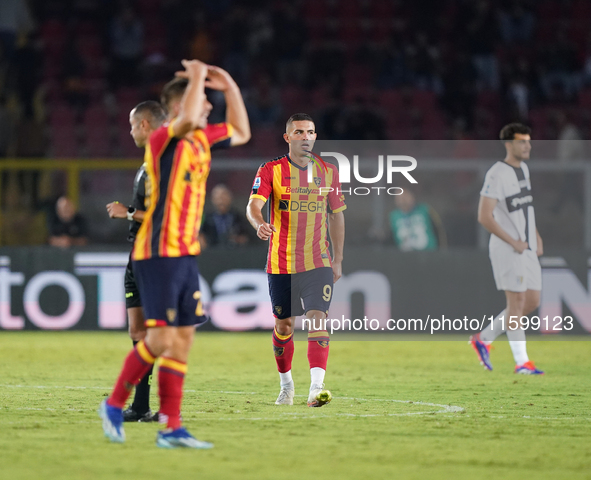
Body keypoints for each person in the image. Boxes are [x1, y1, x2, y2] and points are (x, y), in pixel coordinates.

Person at [99, 59, 250, 449]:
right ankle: (115, 403)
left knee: (181, 342)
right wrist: (198, 73)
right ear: (182, 107)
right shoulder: (163, 137)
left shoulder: (202, 137)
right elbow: (183, 117)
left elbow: (242, 131)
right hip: (157, 251)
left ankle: (172, 427)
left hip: (185, 252)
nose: (210, 107)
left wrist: (228, 82)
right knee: (161, 340)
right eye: (203, 101)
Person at [246, 113, 346, 407]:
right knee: (285, 325)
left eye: (311, 132)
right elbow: (253, 206)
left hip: (318, 261)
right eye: (299, 132)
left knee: (318, 318)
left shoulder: (328, 171)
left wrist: (338, 259)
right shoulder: (270, 170)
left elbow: (337, 215)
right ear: (287, 137)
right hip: (281, 263)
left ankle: (316, 388)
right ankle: (287, 385)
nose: (306, 137)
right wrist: (258, 224)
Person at [105, 101, 165, 423]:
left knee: (159, 334)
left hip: (155, 256)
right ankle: (141, 406)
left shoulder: (160, 164)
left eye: (131, 126)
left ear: (144, 125)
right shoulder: (147, 163)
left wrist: (126, 212)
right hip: (137, 254)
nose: (129, 132)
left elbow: (166, 217)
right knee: (137, 331)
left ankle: (167, 407)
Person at [470, 123, 544, 375]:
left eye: (529, 141)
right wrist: (513, 241)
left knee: (531, 301)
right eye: (522, 141)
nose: (528, 146)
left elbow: (525, 208)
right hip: (507, 248)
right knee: (517, 302)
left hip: (527, 246)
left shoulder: (523, 169)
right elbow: (484, 216)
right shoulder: (496, 174)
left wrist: (535, 235)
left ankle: (484, 338)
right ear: (508, 144)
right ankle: (522, 363)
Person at [200, 184, 251, 248]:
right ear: (213, 199)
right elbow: (201, 236)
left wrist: (239, 239)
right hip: (212, 252)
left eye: (223, 197)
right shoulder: (207, 219)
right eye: (218, 198)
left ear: (230, 198)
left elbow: (248, 236)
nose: (221, 201)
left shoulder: (238, 218)